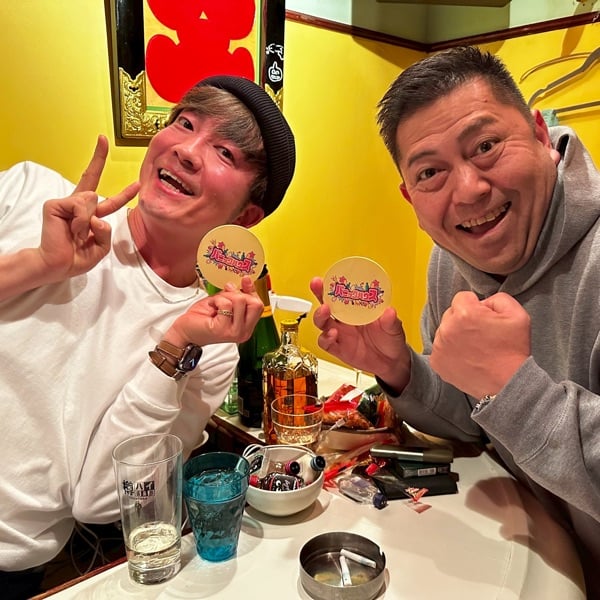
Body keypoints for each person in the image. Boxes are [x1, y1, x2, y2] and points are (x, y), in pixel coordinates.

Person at [311, 46, 599, 597]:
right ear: (409, 196)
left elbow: (509, 405)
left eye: (486, 146)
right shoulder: (452, 260)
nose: (468, 190)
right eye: (430, 172)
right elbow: (473, 423)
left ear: (540, 133)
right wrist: (401, 371)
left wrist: (515, 389)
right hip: (525, 552)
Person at [0, 75, 295, 598]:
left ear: (246, 216)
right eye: (184, 123)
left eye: (224, 152)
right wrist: (37, 266)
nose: (187, 150)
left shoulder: (208, 345)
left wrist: (176, 345)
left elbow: (100, 501)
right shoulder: (32, 195)